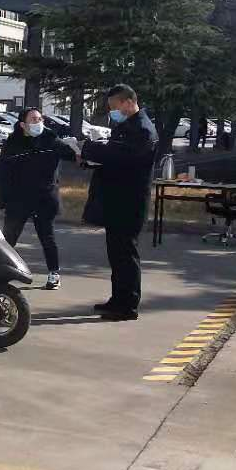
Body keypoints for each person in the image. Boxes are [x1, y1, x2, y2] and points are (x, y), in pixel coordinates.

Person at [82, 84, 158, 321]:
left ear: (128, 102)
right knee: (116, 254)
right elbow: (113, 156)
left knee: (126, 255)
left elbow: (119, 157)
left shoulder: (142, 129)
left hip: (129, 202)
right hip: (116, 200)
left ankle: (128, 306)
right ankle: (117, 299)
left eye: (115, 106)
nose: (112, 111)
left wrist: (89, 149)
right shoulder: (127, 126)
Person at [0, 107, 78, 291]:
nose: (38, 122)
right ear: (22, 124)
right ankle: (0, 272)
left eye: (40, 119)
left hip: (44, 197)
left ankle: (54, 273)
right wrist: (0, 199)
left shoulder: (51, 139)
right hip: (18, 199)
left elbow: (72, 155)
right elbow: (3, 174)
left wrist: (80, 150)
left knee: (47, 237)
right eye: (33, 119)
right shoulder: (12, 143)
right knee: (9, 238)